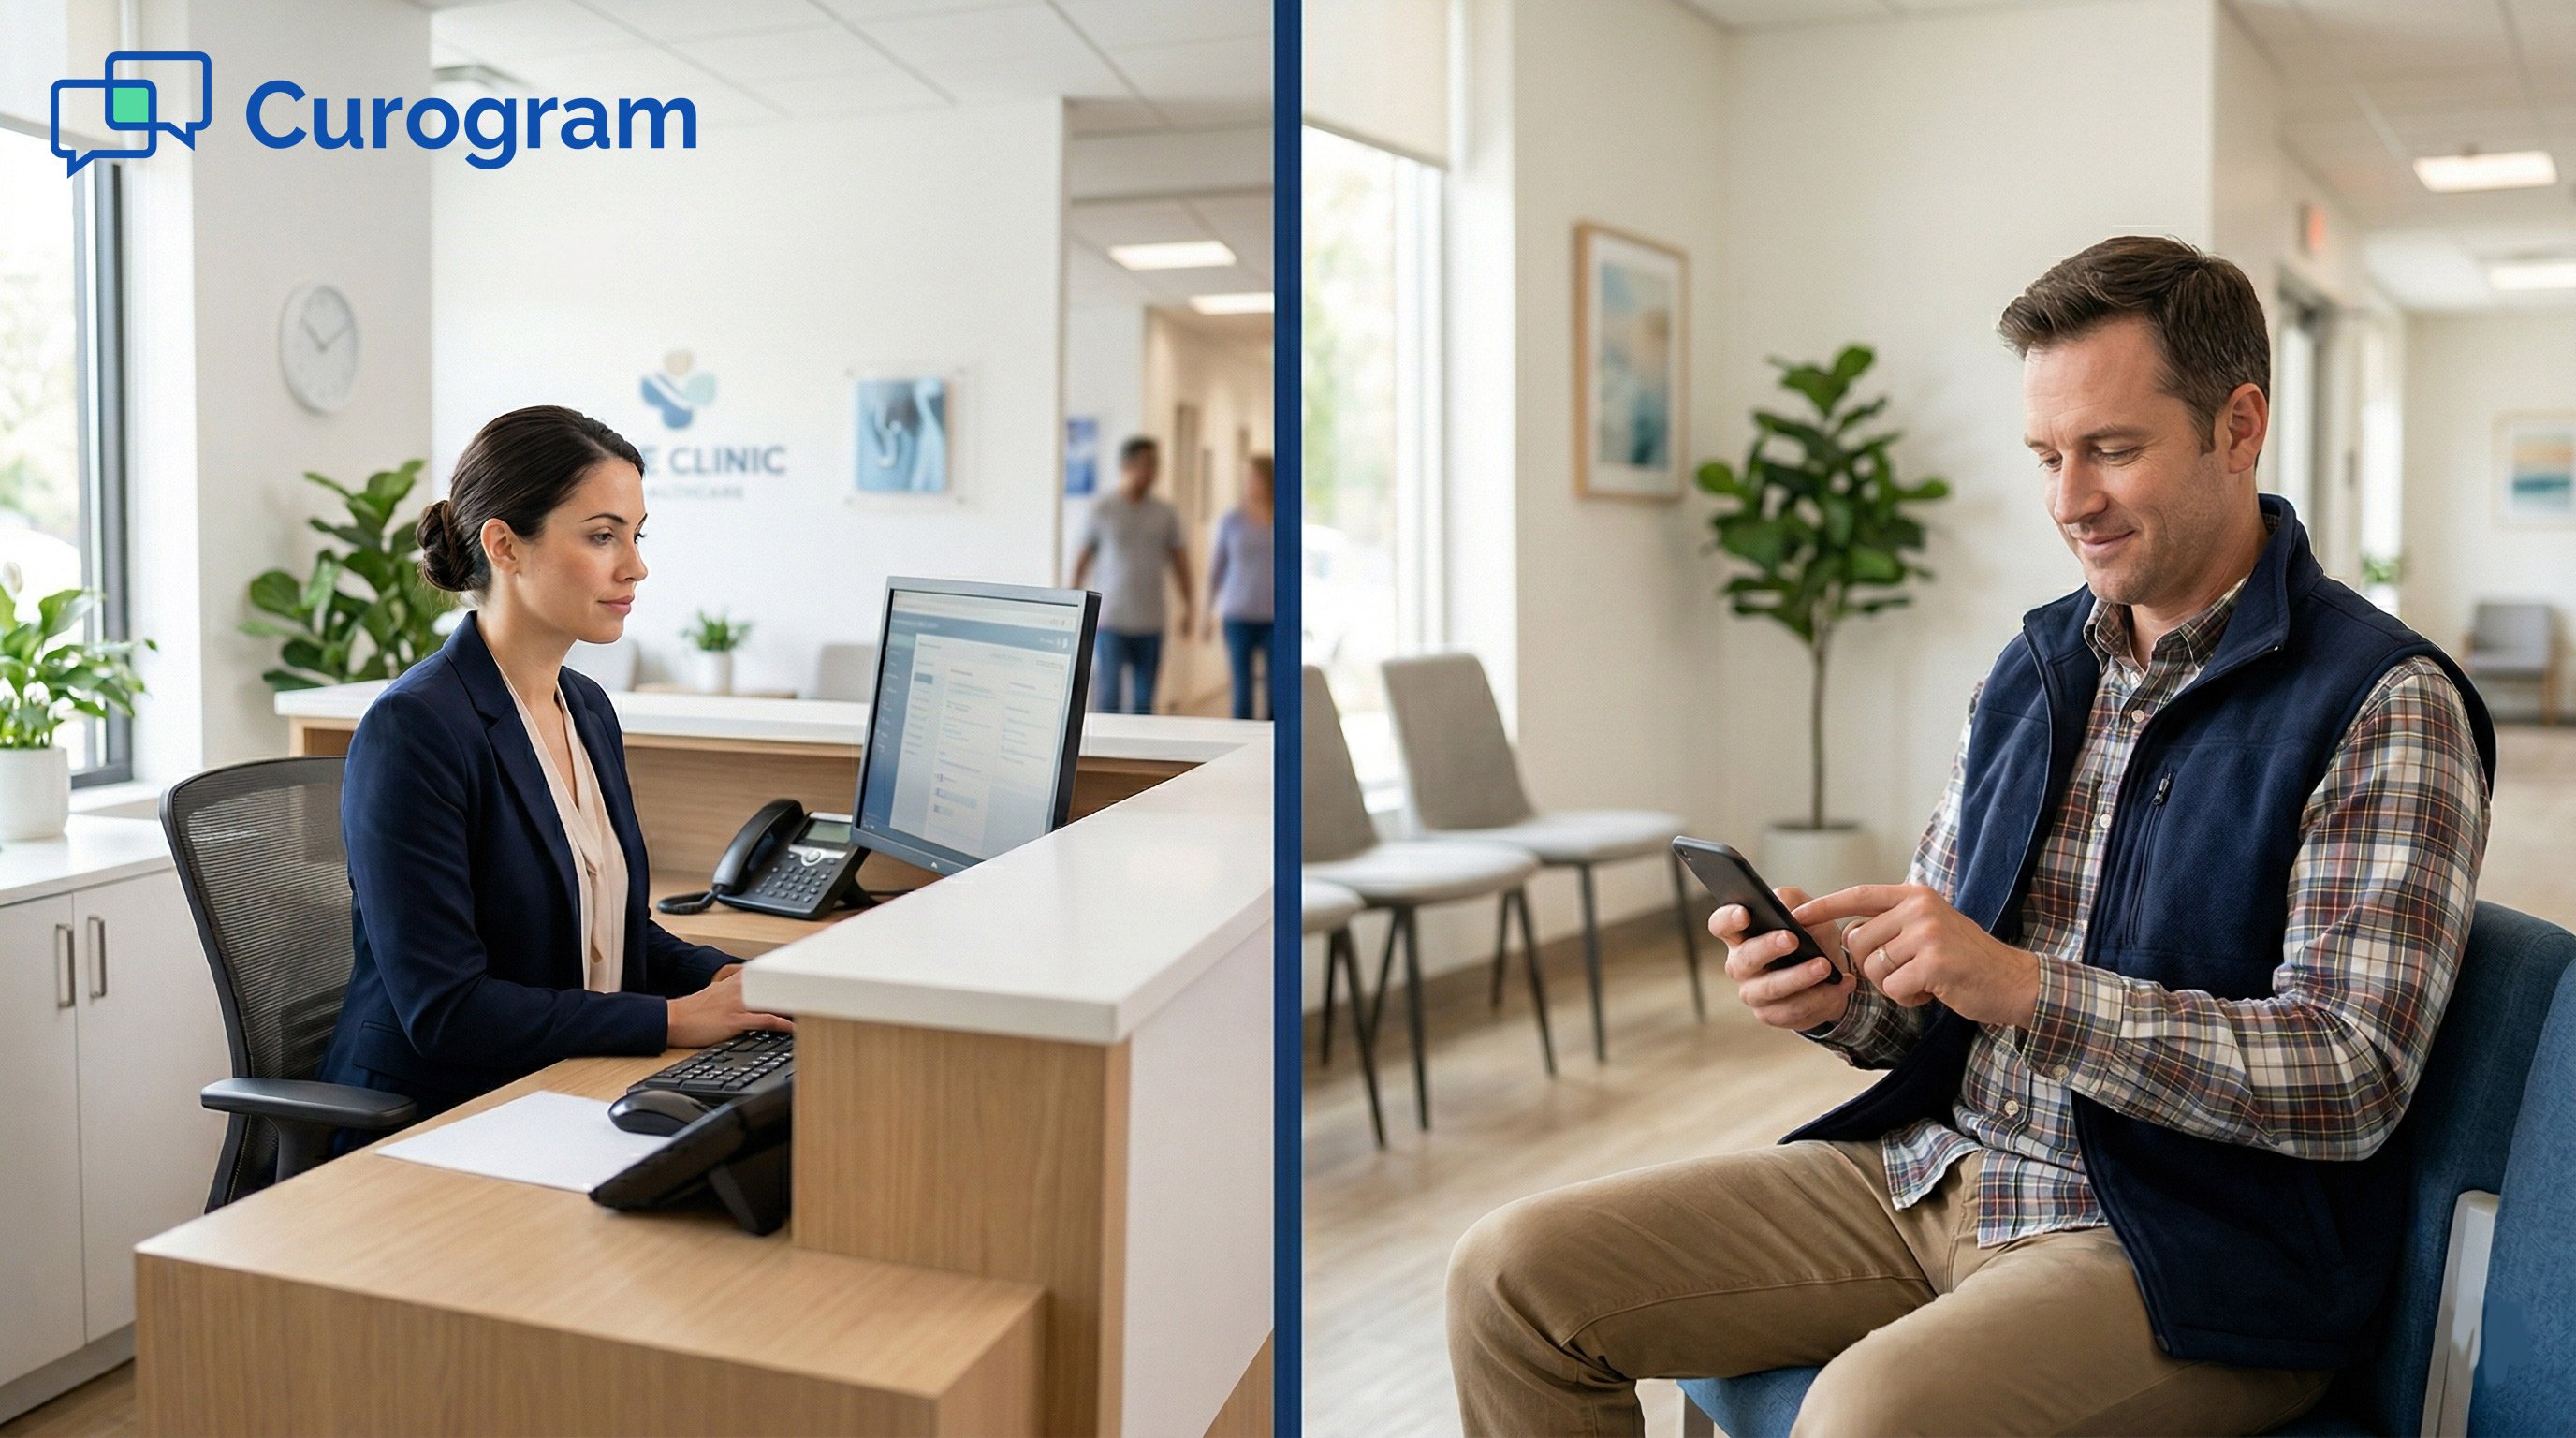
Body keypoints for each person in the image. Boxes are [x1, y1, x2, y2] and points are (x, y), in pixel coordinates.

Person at [1445, 237, 2496, 1436]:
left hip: (2184, 1247)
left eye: (2111, 449)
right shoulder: (2036, 669)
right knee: (1509, 1277)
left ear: (2238, 424)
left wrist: (2025, 989)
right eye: (2047, 456)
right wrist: (1842, 992)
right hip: (1935, 1171)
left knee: (1866, 1419)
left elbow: (2349, 1073)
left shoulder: (2384, 700)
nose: (2068, 501)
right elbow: (1931, 1008)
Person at [316, 405, 790, 1126]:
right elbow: (448, 1010)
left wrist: (725, 978)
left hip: (568, 1083)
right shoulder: (415, 729)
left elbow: (611, 930)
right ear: (504, 546)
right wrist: (672, 1022)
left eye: (636, 535)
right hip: (436, 1114)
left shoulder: (587, 708)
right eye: (603, 536)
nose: (635, 566)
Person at [1071, 435, 1193, 714]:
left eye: (1155, 464)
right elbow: (1082, 560)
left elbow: (1181, 564)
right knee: (1109, 697)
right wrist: (1073, 606)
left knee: (1143, 701)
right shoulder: (1103, 509)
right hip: (1112, 620)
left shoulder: (1166, 514)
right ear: (1126, 465)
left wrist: (1189, 606)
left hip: (1151, 621)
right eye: (1146, 463)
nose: (1153, 470)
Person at [1205, 453, 1276, 720]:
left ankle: (1272, 750)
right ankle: (1242, 749)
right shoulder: (1232, 521)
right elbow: (1216, 569)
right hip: (1237, 615)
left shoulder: (1285, 517)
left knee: (1276, 691)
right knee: (1242, 689)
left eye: (1254, 477)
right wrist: (1205, 614)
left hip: (1274, 617)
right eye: (1246, 478)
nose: (1249, 483)